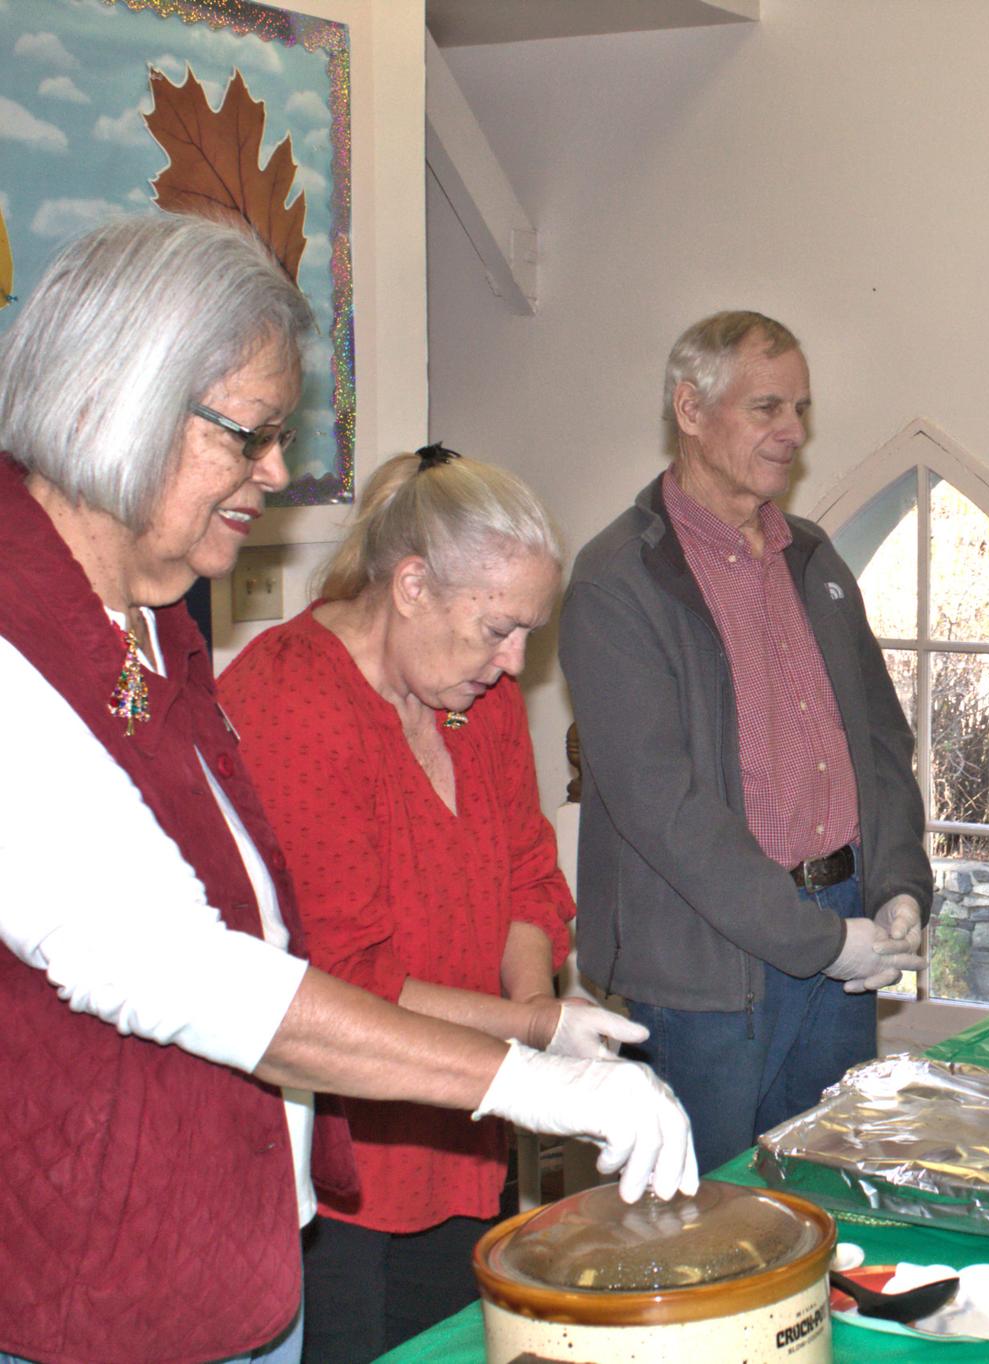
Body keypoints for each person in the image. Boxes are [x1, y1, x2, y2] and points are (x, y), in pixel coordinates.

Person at [0, 214, 694, 1364]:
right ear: (111, 404)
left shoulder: (153, 619)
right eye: (249, 435)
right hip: (92, 1294)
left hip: (223, 1257)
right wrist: (533, 1073)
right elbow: (183, 967)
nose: (276, 473)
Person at [218, 447, 647, 1362]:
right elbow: (347, 979)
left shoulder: (469, 694)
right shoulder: (291, 698)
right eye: (498, 629)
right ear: (411, 584)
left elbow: (528, 876)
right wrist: (532, 1031)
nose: (515, 662)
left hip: (463, 1123)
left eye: (528, 632)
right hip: (333, 1152)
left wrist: (540, 1010)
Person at [561, 310, 932, 1172]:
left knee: (826, 1201)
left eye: (800, 409)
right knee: (703, 1231)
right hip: (704, 968)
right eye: (767, 407)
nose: (793, 433)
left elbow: (880, 742)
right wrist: (821, 943)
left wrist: (898, 886)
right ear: (690, 410)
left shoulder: (811, 555)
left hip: (842, 936)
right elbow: (665, 810)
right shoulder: (619, 580)